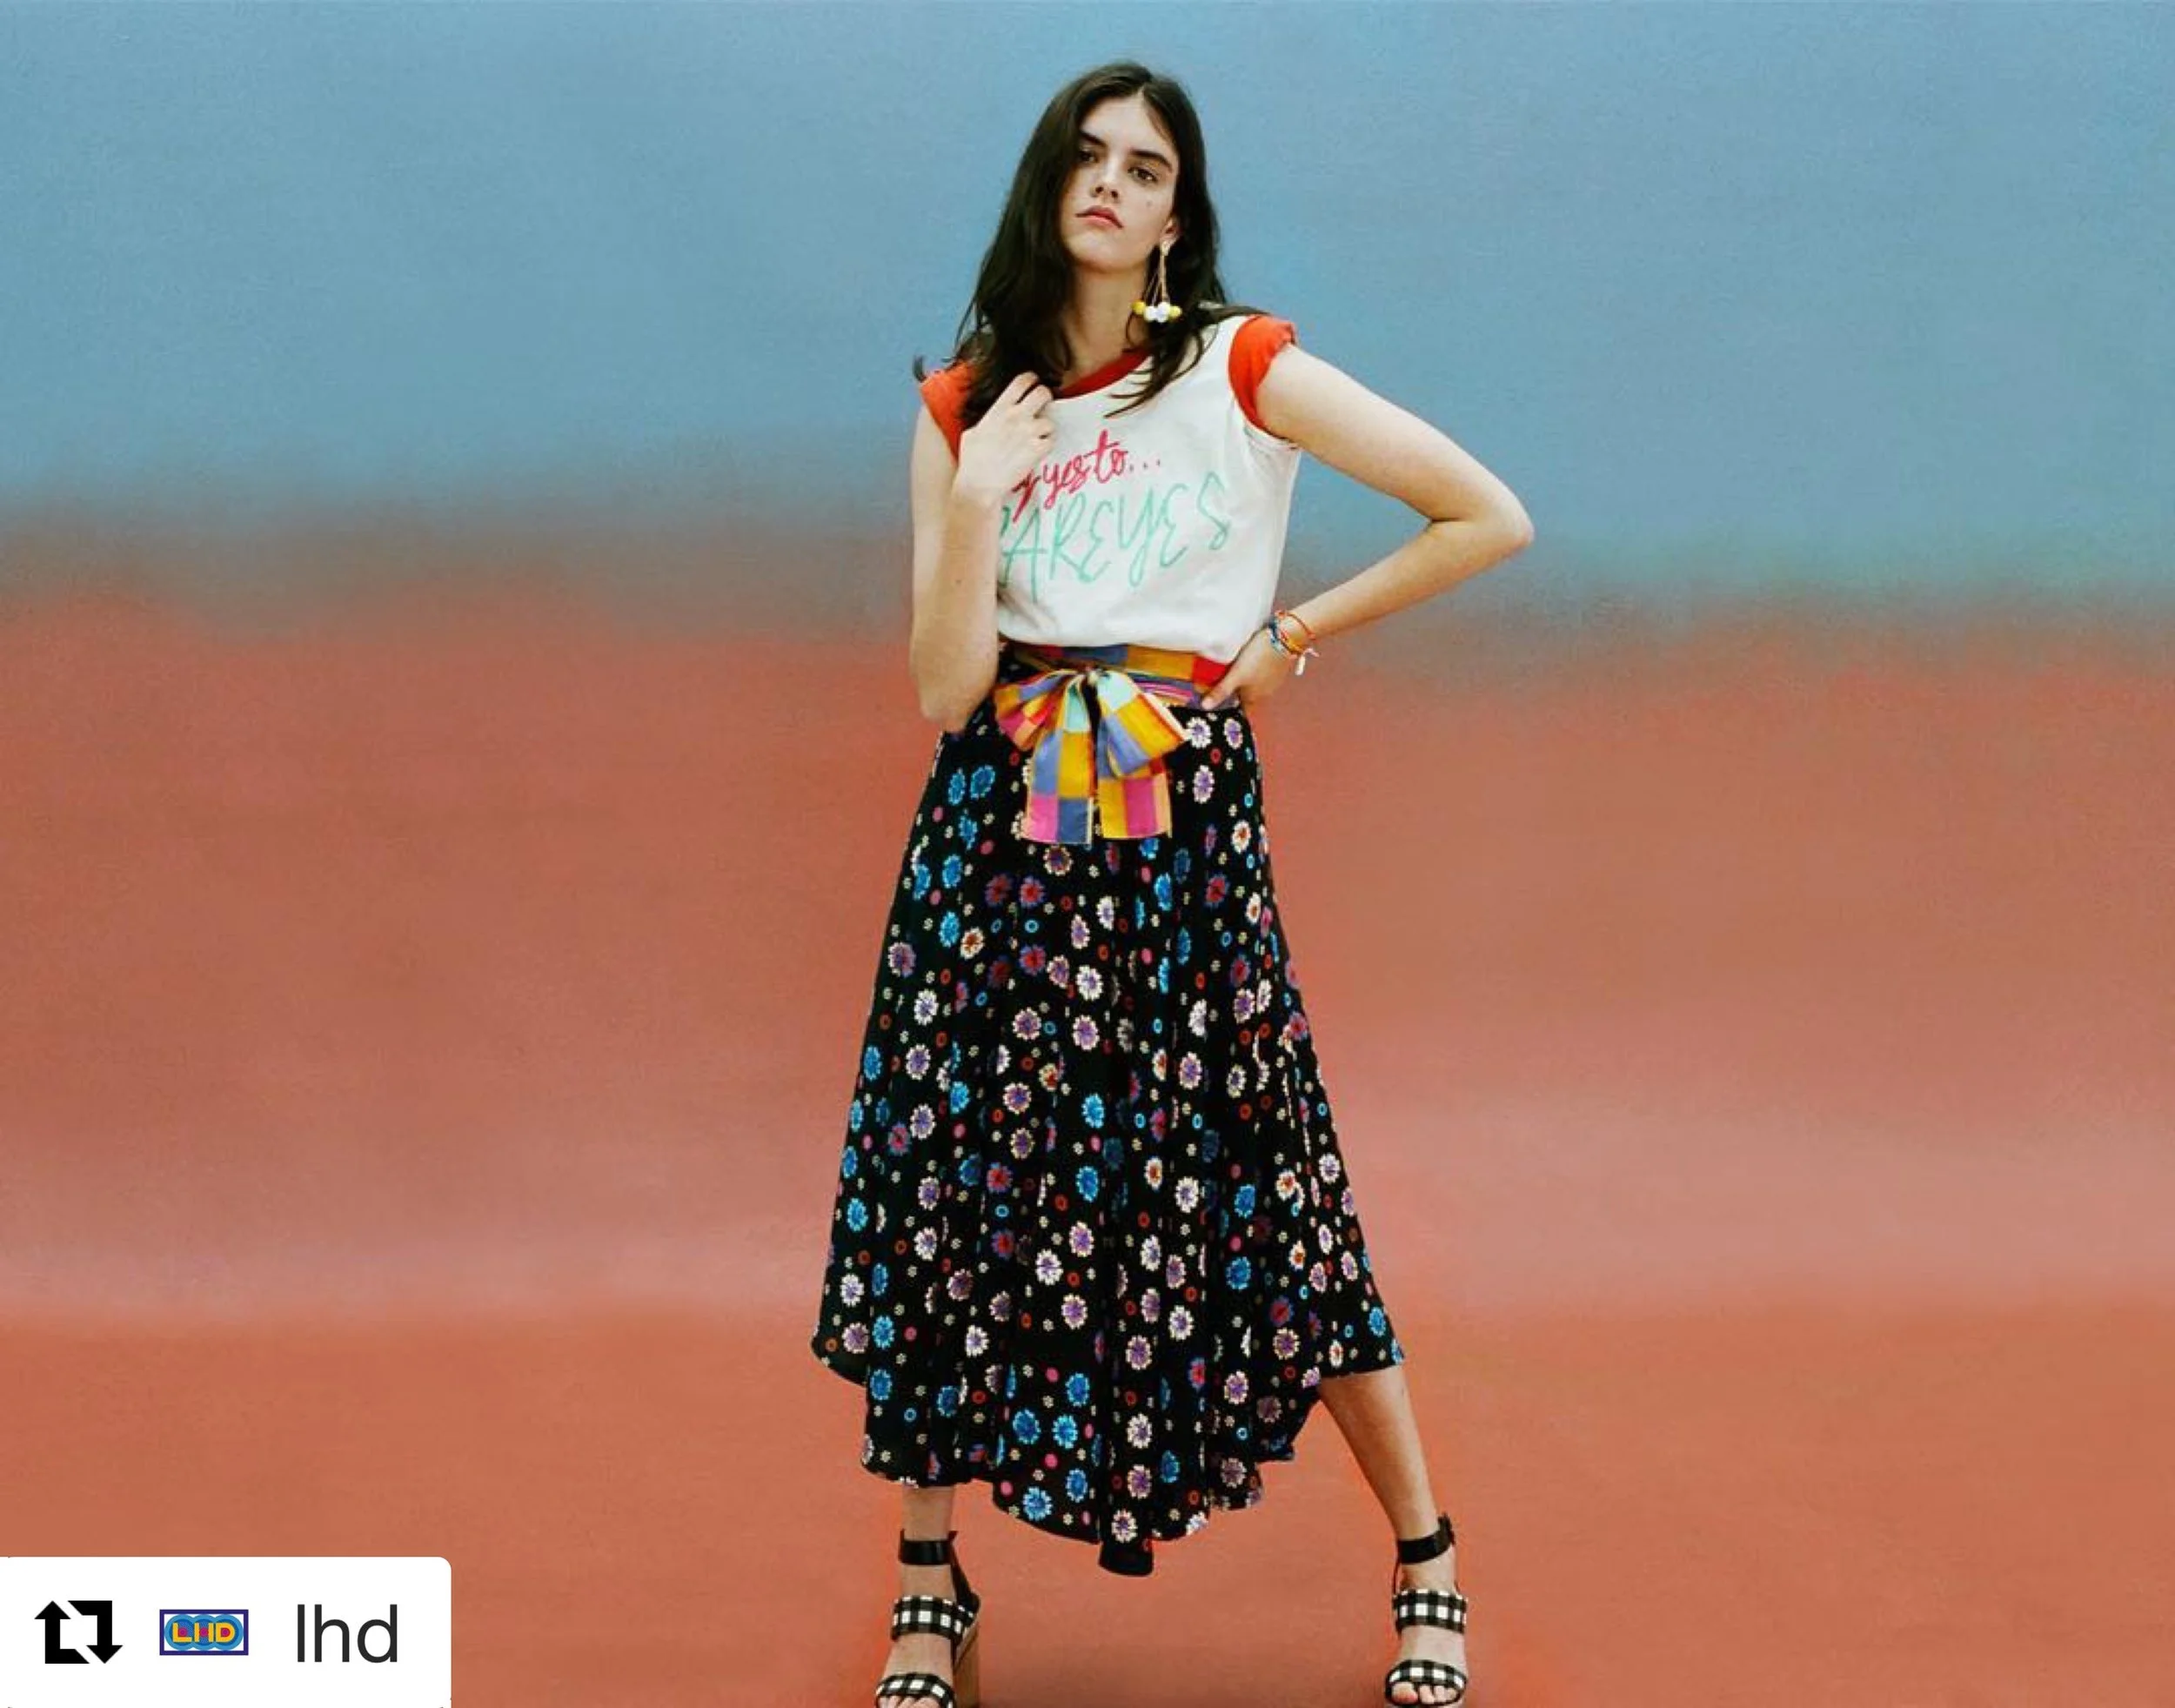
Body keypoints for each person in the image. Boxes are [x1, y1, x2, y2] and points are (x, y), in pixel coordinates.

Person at [809, 58, 1533, 1708]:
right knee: (945, 1180)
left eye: (1147, 166)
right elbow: (939, 687)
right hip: (996, 833)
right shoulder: (960, 407)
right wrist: (979, 495)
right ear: (1045, 186)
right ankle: (931, 1587)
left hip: (1176, 830)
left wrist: (1288, 638)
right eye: (1087, 155)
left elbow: (1482, 513)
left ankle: (1427, 1556)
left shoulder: (1238, 363)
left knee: (1269, 1173)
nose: (1113, 181)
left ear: (1177, 215)